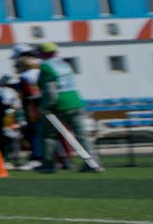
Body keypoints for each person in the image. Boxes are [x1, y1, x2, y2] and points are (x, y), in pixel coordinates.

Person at [33, 44, 102, 172]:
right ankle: (92, 163)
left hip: (59, 105)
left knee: (48, 136)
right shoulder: (65, 64)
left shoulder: (46, 67)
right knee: (82, 136)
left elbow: (50, 91)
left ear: (42, 53)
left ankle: (48, 165)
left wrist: (45, 107)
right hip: (76, 102)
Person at [13, 48, 50, 169]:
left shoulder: (25, 76)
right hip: (46, 105)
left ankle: (37, 157)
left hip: (33, 108)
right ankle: (53, 158)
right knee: (46, 134)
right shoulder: (40, 72)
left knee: (36, 133)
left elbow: (27, 94)